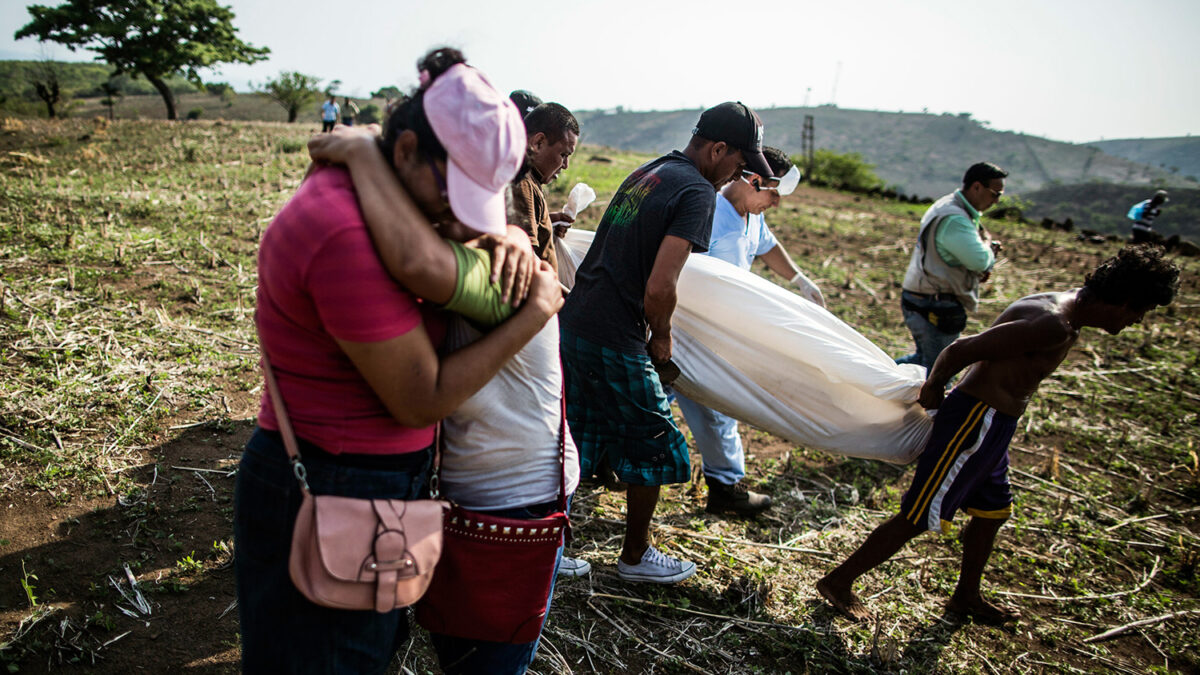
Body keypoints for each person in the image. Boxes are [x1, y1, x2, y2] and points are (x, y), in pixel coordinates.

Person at [235, 48, 562, 675]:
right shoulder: (345, 232)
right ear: (406, 149)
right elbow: (420, 397)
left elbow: (451, 246)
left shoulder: (395, 200)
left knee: (356, 652)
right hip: (339, 481)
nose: (460, 221)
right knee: (329, 660)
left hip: (373, 483)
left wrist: (511, 237)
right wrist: (530, 315)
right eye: (453, 192)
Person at [817, 244, 1179, 623]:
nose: (1137, 320)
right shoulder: (1053, 323)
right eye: (1140, 310)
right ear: (1123, 299)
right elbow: (960, 350)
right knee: (920, 514)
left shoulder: (1062, 309)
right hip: (976, 423)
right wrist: (935, 386)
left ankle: (965, 597)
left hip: (994, 426)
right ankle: (839, 581)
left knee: (993, 511)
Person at [559, 101, 772, 584]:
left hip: (578, 323)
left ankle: (554, 548)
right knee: (656, 441)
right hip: (617, 334)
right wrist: (662, 338)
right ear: (718, 149)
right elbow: (659, 287)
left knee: (574, 438)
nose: (736, 174)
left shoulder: (650, 171)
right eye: (738, 164)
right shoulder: (697, 190)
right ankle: (635, 557)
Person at [674, 146, 820, 515]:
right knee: (651, 402)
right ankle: (605, 465)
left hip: (721, 333)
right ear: (754, 180)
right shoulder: (708, 213)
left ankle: (725, 487)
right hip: (684, 330)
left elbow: (768, 246)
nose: (776, 203)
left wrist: (800, 279)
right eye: (773, 194)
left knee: (716, 409)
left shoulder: (751, 216)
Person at [896, 162, 1008, 372]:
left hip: (924, 295)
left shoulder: (950, 205)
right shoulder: (955, 219)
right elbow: (979, 261)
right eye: (994, 194)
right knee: (939, 372)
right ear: (976, 187)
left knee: (925, 362)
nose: (997, 201)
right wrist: (989, 250)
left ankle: (871, 384)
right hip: (933, 302)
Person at [512, 102, 580, 275]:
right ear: (539, 142)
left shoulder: (532, 181)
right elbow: (528, 260)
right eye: (563, 155)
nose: (565, 165)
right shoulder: (524, 184)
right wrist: (566, 296)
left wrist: (548, 221)